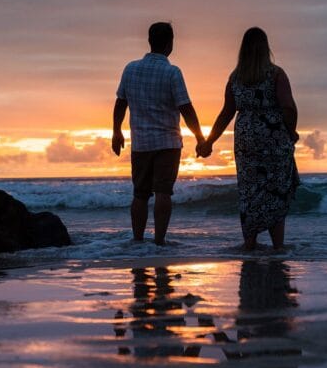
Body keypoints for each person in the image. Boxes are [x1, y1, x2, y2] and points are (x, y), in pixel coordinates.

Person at [198, 27, 300, 250]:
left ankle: (250, 243)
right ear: (266, 49)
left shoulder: (235, 78)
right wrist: (291, 132)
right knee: (275, 190)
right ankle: (277, 246)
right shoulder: (276, 74)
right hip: (273, 140)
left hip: (246, 142)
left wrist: (209, 141)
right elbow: (288, 107)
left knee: (249, 191)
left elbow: (226, 112)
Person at [112, 22, 207, 245]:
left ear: (149, 41)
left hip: (141, 144)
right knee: (163, 192)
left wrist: (116, 132)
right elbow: (186, 108)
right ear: (170, 43)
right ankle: (159, 242)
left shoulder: (130, 68)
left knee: (140, 194)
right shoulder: (172, 72)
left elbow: (120, 103)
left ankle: (137, 241)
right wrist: (200, 137)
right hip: (168, 143)